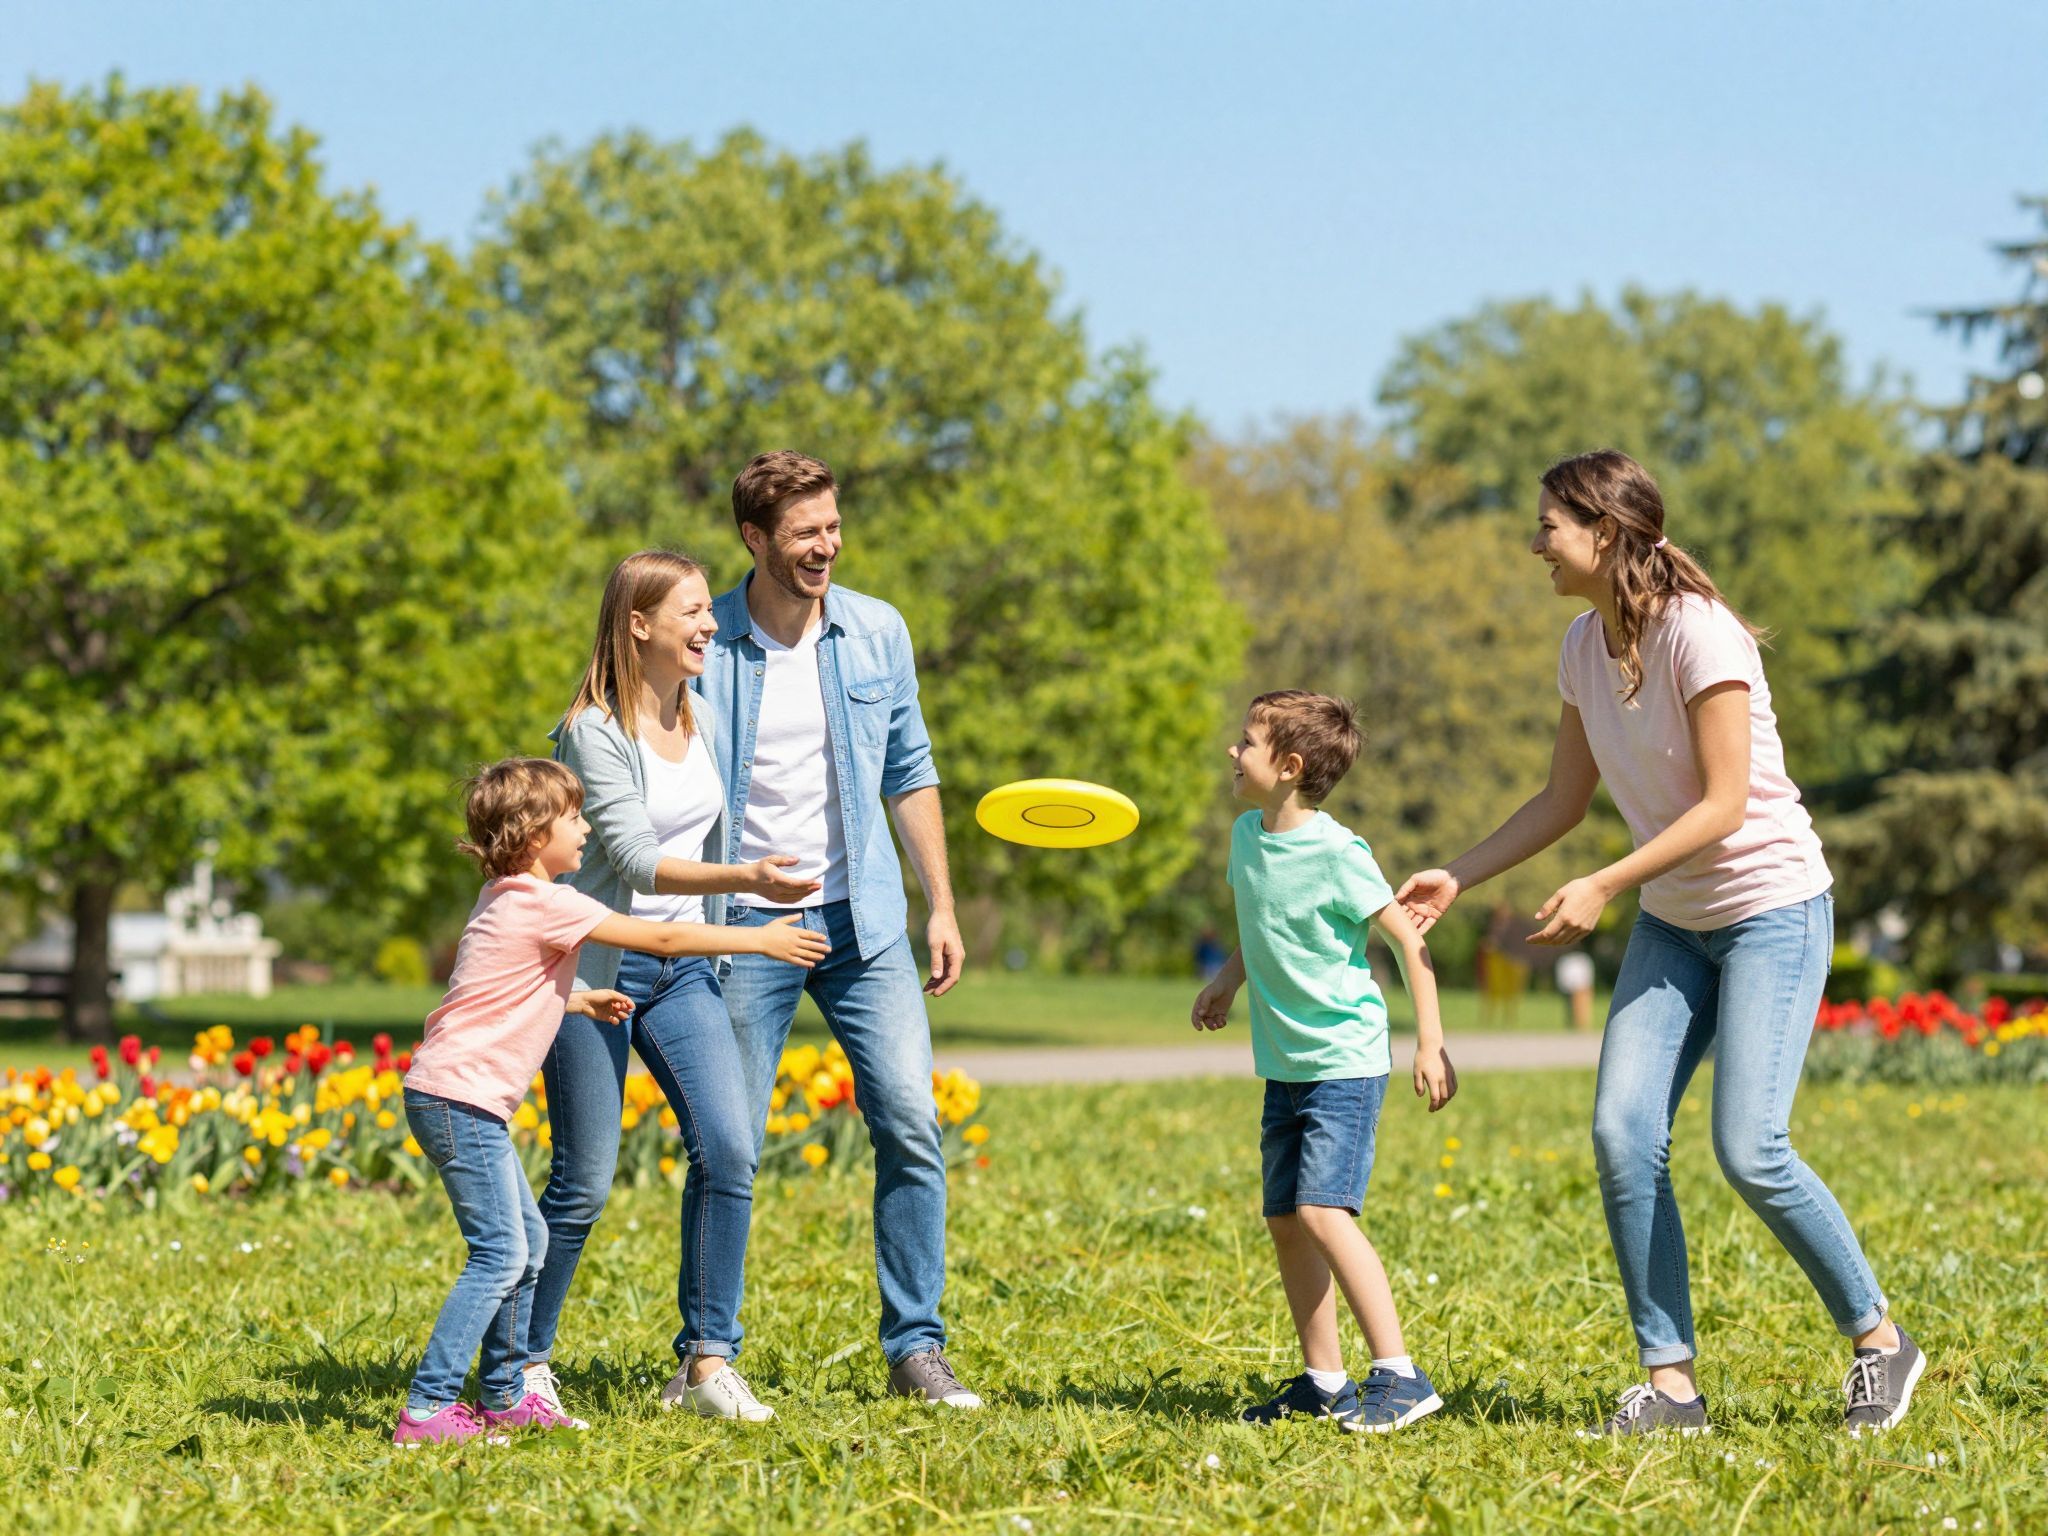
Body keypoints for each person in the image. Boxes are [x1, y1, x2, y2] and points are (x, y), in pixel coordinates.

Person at [1396, 449, 1923, 1437]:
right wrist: (1459, 874)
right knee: (1619, 1134)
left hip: (1770, 909)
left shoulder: (1699, 635)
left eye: (1547, 524)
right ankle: (1671, 1387)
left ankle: (1880, 1343)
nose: (1533, 543)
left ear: (1603, 530)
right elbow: (1563, 797)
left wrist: (1604, 881)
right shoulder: (1578, 646)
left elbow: (1725, 805)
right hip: (1677, 924)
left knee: (1749, 1148)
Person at [394, 758, 827, 1446]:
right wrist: (760, 939)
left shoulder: (503, 898)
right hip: (460, 1099)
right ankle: (427, 1407)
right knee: (501, 1255)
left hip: (455, 1097)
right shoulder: (548, 901)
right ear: (536, 835)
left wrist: (579, 996)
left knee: (528, 1242)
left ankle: (505, 1394)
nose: (586, 827)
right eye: (573, 817)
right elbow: (660, 936)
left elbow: (501, 986)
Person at [698, 450, 978, 1408]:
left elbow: (911, 767)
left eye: (833, 526)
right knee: (726, 1141)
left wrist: (939, 902)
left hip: (864, 922)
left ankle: (916, 1349)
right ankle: (708, 1356)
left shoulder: (875, 631)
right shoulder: (708, 640)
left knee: (908, 1118)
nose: (827, 547)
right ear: (754, 539)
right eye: (805, 533)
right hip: (742, 926)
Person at [526, 551, 830, 1427]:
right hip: (593, 975)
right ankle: (524, 1363)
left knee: (730, 1150)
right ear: (638, 624)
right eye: (692, 612)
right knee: (583, 1180)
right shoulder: (592, 730)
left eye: (708, 611)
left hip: (685, 970)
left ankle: (705, 1362)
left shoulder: (702, 716)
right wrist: (748, 888)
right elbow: (631, 861)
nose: (709, 625)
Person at [1191, 691, 1456, 1433]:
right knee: (1284, 1218)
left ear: (1290, 766)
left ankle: (1401, 1375)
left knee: (1322, 1210)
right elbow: (1262, 922)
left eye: (1245, 743)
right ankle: (1324, 1380)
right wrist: (1226, 981)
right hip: (1285, 1064)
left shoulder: (1341, 854)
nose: (1232, 754)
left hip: (1344, 1060)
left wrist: (1429, 1040)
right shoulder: (1248, 837)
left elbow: (1408, 943)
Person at [1555, 949, 1597, 1031]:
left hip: (1581, 986)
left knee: (1582, 1006)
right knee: (1572, 1006)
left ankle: (1581, 1023)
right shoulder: (1568, 961)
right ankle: (1576, 1022)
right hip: (1573, 986)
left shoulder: (1582, 960)